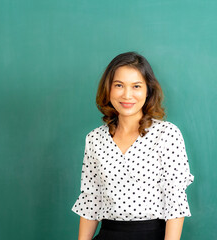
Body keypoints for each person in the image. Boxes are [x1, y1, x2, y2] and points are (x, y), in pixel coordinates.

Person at [71, 52, 194, 240]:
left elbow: (175, 200)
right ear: (108, 89)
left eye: (136, 86)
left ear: (148, 90)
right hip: (108, 233)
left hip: (152, 234)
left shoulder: (167, 134)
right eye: (119, 85)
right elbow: (91, 199)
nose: (127, 95)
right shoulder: (94, 139)